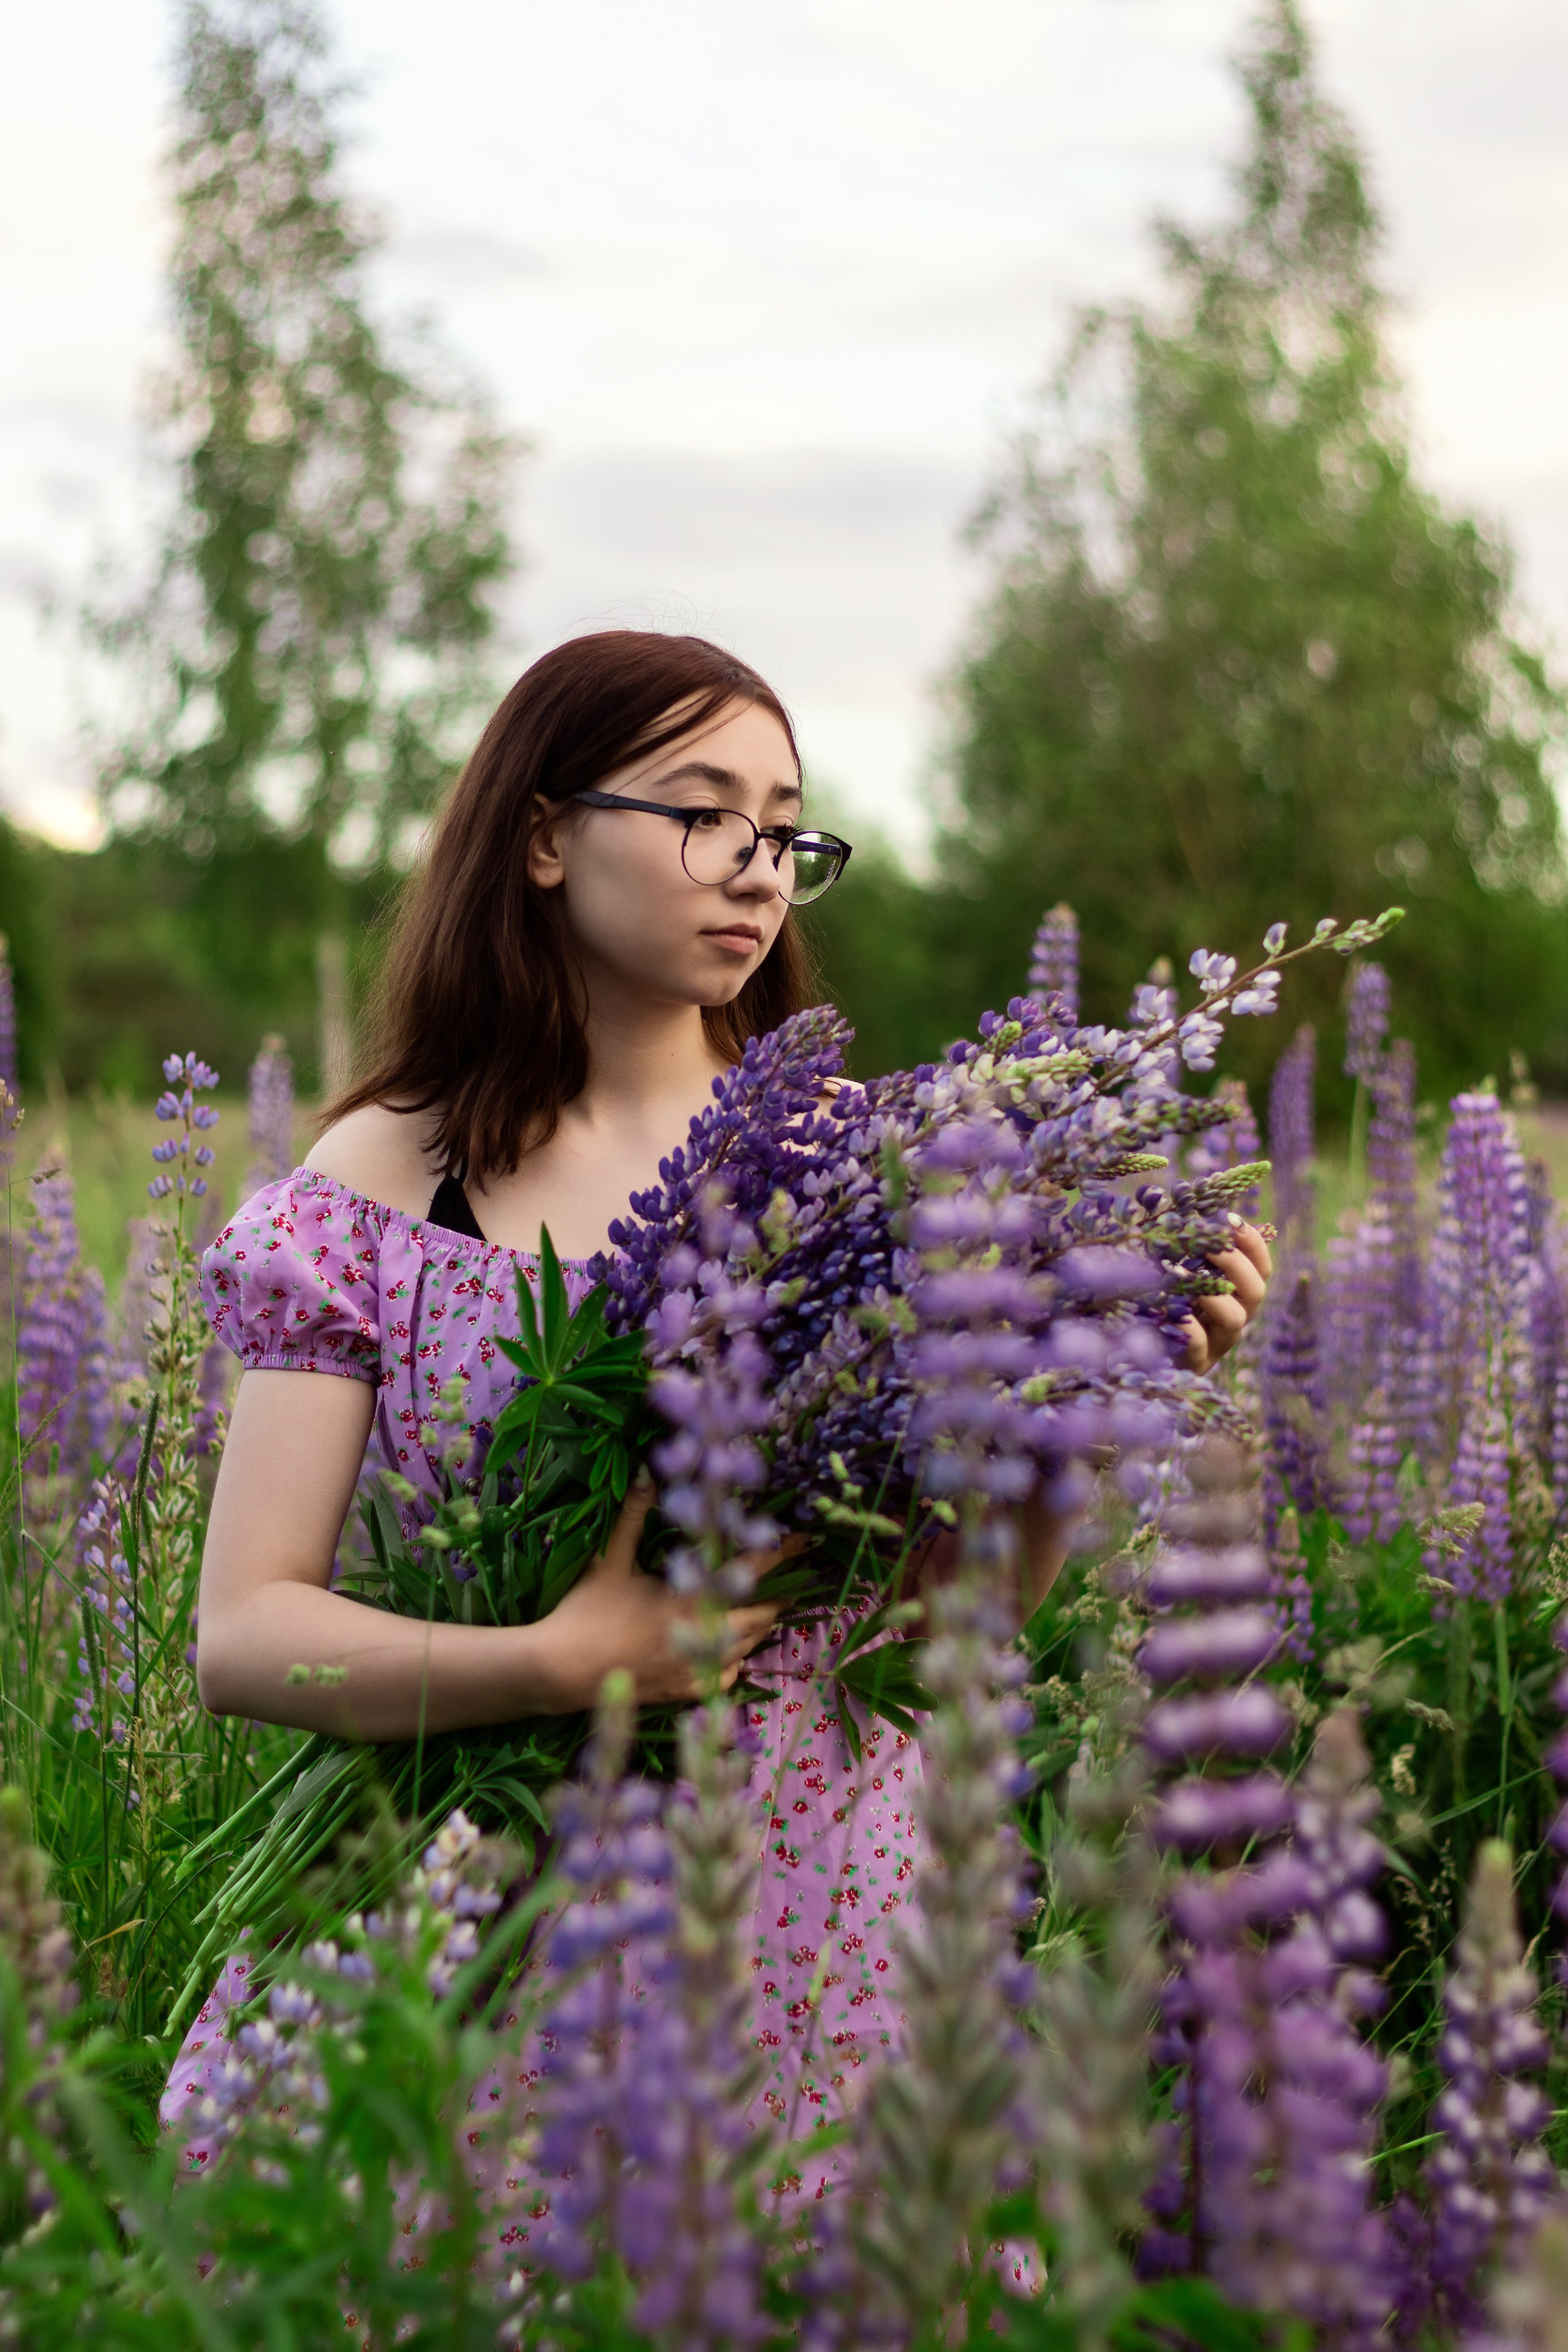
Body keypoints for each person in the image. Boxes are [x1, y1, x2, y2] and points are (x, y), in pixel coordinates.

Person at [162, 630, 1270, 2209]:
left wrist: (1080, 1421)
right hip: (478, 1905)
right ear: (543, 836)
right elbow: (243, 1637)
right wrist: (565, 1659)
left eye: (786, 831)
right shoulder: (385, 1185)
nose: (757, 867)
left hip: (812, 1914)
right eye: (703, 815)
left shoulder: (872, 1170)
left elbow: (939, 1636)